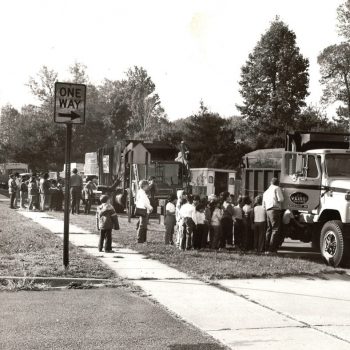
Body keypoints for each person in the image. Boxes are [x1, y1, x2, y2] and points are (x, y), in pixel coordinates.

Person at [263, 177, 284, 253]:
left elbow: (263, 205)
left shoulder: (265, 192)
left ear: (270, 183)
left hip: (267, 211)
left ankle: (266, 248)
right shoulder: (277, 188)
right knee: (275, 229)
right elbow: (280, 199)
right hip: (275, 210)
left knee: (269, 229)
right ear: (277, 183)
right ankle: (272, 249)